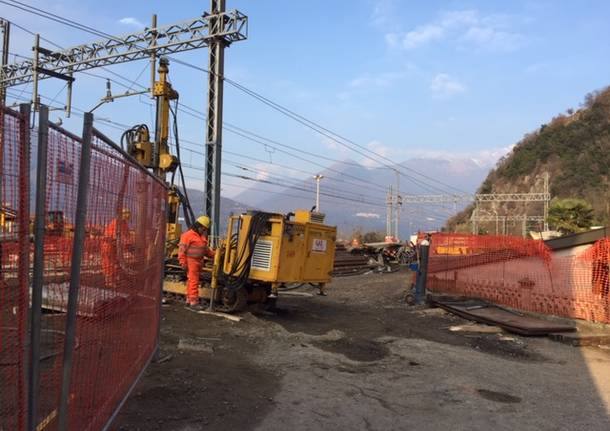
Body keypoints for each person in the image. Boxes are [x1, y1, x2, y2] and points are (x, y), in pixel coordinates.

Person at [178, 215, 215, 309]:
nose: (204, 231)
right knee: (194, 281)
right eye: (204, 229)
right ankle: (194, 303)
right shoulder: (187, 235)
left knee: (191, 281)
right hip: (191, 261)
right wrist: (183, 262)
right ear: (199, 227)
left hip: (198, 262)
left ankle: (189, 300)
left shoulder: (201, 237)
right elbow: (182, 250)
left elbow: (206, 251)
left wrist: (217, 254)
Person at [102, 207, 132, 287]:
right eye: (126, 214)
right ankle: (109, 281)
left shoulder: (123, 223)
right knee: (109, 263)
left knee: (116, 263)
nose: (128, 216)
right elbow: (116, 237)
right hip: (108, 245)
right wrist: (126, 245)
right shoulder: (116, 223)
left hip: (115, 245)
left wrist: (129, 244)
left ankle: (115, 279)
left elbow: (127, 235)